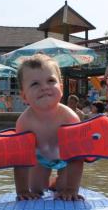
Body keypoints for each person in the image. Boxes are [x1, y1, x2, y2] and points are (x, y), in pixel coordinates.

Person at [14, 54, 83, 201]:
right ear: (24, 96)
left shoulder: (69, 118)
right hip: (39, 159)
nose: (44, 87)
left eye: (51, 81)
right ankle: (49, 181)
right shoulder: (24, 122)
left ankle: (59, 182)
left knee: (64, 190)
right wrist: (22, 190)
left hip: (67, 160)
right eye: (35, 84)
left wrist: (72, 189)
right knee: (36, 190)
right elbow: (21, 160)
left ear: (62, 88)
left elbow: (77, 158)